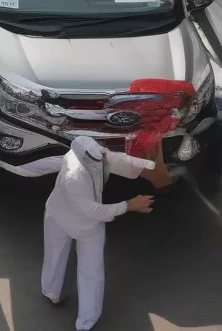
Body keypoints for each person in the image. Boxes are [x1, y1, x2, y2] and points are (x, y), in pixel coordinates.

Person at [41, 136, 156, 331]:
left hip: (74, 220)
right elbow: (94, 211)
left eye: (101, 156)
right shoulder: (73, 177)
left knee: (92, 272)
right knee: (55, 257)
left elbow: (116, 160)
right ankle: (50, 292)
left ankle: (86, 322)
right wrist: (129, 206)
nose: (103, 161)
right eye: (100, 159)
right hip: (62, 219)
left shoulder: (95, 154)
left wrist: (149, 166)